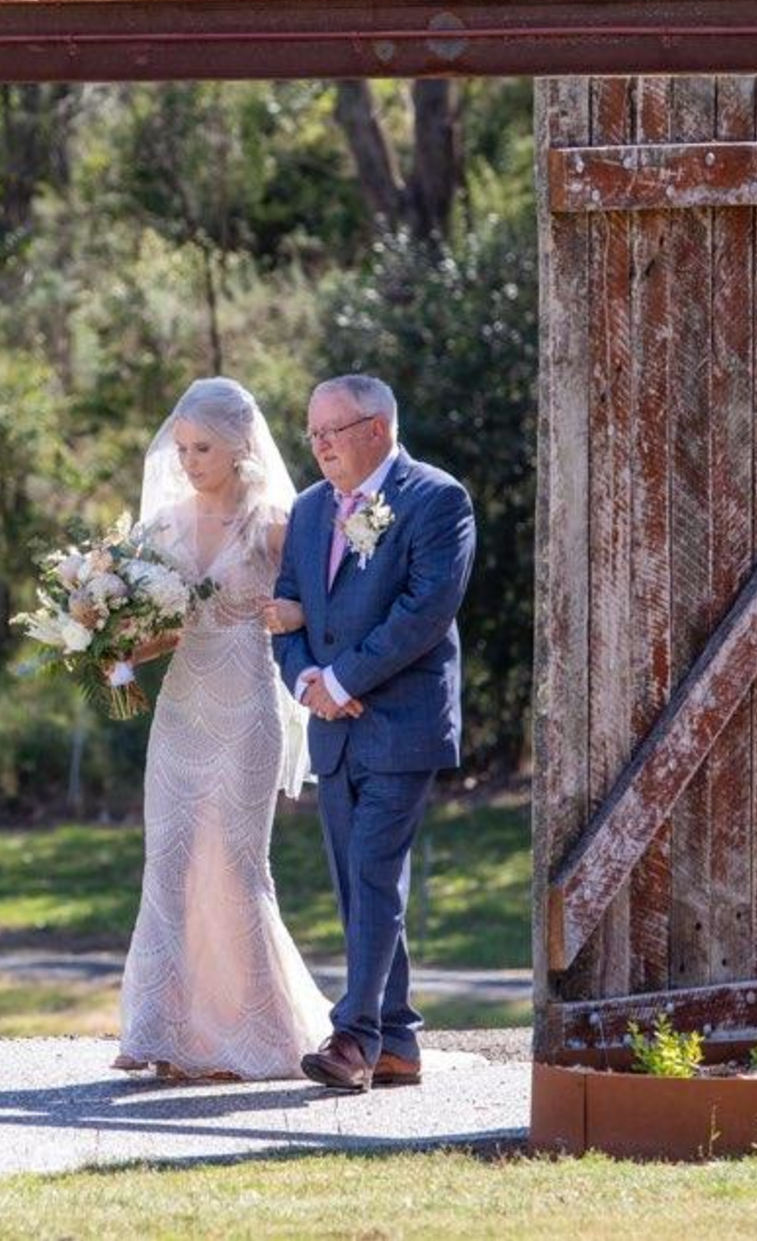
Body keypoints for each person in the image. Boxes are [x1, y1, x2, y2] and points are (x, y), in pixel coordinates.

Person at [110, 377, 331, 1080]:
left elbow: (314, 609)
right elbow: (161, 629)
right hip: (181, 711)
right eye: (181, 448)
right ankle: (159, 1033)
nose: (188, 460)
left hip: (246, 707)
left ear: (239, 447)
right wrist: (109, 648)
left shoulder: (275, 524)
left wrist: (293, 617)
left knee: (235, 867)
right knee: (168, 863)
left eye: (202, 447)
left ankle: (251, 1039)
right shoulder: (165, 523)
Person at [264, 373, 476, 1092]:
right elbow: (286, 611)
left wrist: (346, 680)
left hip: (401, 720)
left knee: (375, 875)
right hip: (332, 724)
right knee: (357, 886)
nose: (320, 445)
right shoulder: (309, 508)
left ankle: (354, 1038)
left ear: (378, 429)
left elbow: (424, 610)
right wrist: (307, 684)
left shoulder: (436, 499)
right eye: (313, 432)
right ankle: (398, 1043)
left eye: (334, 431)